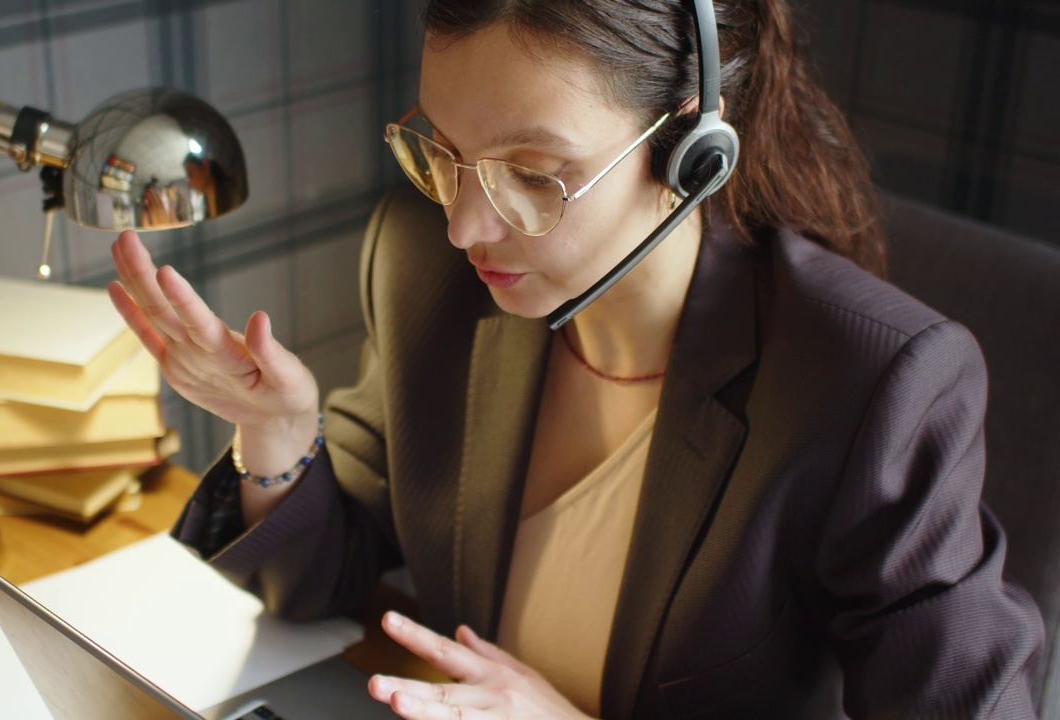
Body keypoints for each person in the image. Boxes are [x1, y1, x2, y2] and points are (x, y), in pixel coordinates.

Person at [107, 0, 1043, 717]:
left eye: (531, 173)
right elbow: (324, 577)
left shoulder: (873, 389)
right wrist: (277, 433)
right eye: (445, 151)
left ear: (691, 148)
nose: (464, 223)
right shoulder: (426, 267)